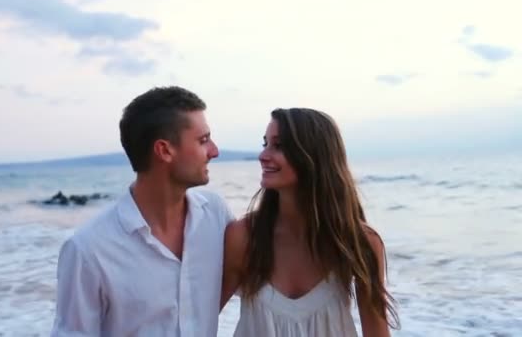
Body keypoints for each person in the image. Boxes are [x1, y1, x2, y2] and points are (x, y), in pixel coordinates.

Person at [51, 86, 234, 336]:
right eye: (203, 140)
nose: (214, 151)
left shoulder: (216, 215)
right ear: (164, 150)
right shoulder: (87, 250)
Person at [221, 108, 400, 336]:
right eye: (265, 144)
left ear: (313, 156)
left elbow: (376, 332)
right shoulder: (244, 238)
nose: (263, 155)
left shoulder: (360, 242)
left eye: (279, 145)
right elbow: (197, 322)